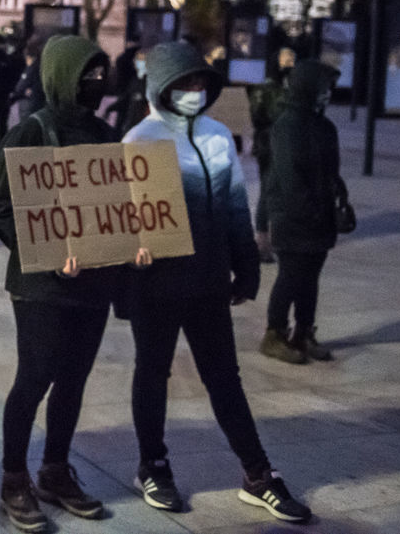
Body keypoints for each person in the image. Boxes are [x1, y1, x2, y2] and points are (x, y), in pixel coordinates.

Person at [123, 41, 312, 524]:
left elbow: (233, 204)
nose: (193, 91)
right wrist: (128, 267)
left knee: (225, 378)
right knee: (152, 372)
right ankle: (154, 465)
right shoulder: (139, 141)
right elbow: (124, 221)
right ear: (160, 87)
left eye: (199, 82)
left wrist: (245, 264)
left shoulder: (217, 136)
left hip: (207, 281)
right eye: (182, 83)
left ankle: (257, 473)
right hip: (157, 284)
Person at [0, 35, 143, 531]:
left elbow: (120, 205)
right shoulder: (30, 133)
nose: (97, 82)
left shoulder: (106, 134)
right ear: (62, 76)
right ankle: (14, 478)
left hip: (94, 283)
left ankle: (55, 470)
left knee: (73, 381)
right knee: (35, 378)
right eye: (87, 74)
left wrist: (132, 242)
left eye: (101, 73)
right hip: (41, 287)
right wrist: (51, 253)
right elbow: (3, 208)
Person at [261, 59, 343, 364]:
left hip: (321, 218)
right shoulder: (287, 126)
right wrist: (308, 210)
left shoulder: (324, 126)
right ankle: (275, 333)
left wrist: (335, 200)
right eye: (323, 87)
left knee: (311, 279)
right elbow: (287, 176)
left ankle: (304, 332)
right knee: (291, 276)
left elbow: (332, 171)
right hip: (294, 219)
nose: (327, 93)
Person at [248, 46, 295, 263]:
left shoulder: (292, 85)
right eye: (286, 57)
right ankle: (262, 241)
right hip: (269, 145)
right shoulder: (267, 87)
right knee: (268, 189)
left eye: (292, 57)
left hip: (288, 144)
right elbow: (259, 115)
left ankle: (278, 237)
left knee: (283, 191)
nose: (290, 61)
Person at [106, 45, 150, 138]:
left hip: (139, 131)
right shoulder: (135, 81)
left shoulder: (149, 84)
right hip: (127, 129)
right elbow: (126, 99)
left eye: (142, 60)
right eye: (137, 60)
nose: (138, 63)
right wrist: (110, 108)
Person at [11, 37, 46, 123]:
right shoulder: (41, 66)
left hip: (30, 104)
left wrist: (14, 96)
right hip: (38, 103)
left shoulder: (32, 68)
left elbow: (22, 85)